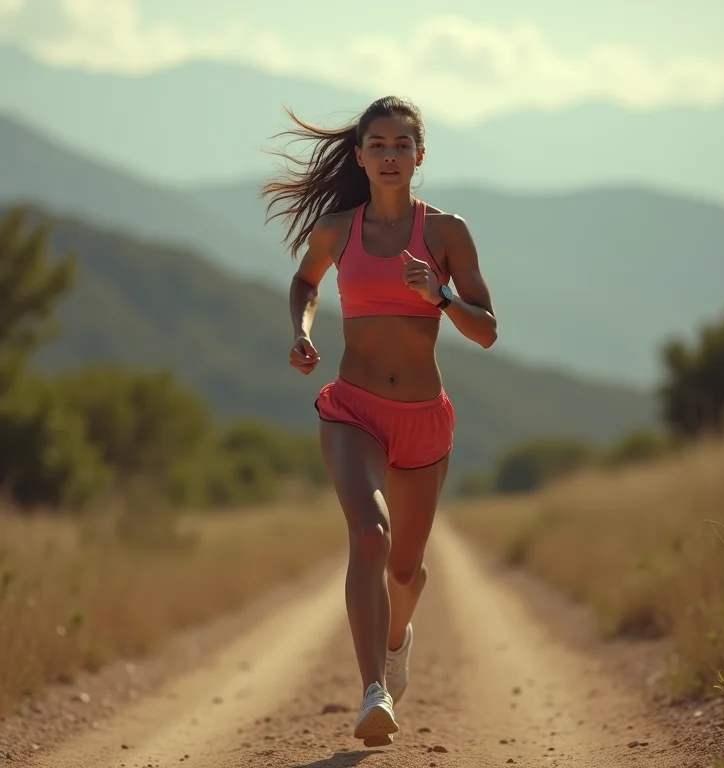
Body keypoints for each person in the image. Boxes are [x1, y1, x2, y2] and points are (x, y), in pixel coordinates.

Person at [260, 95, 497, 747]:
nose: (390, 156)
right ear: (360, 156)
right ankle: (375, 691)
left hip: (423, 419)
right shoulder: (338, 229)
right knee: (371, 537)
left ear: (420, 156)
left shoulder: (447, 233)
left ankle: (396, 641)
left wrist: (440, 295)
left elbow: (487, 333)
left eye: (402, 145)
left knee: (406, 572)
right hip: (353, 408)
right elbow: (305, 283)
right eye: (379, 145)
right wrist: (302, 331)